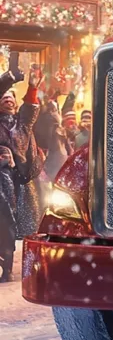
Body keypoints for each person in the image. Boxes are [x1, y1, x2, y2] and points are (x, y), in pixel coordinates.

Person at [0, 55, 44, 243]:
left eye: (11, 97)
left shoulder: (23, 123)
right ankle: (7, 269)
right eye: (3, 97)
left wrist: (33, 87)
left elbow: (30, 108)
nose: (8, 99)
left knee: (28, 232)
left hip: (24, 183)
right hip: (2, 181)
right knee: (4, 229)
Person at [0, 145, 16, 281]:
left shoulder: (4, 171)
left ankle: (7, 272)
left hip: (4, 212)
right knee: (6, 242)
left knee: (6, 242)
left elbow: (8, 194)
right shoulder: (7, 171)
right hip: (6, 212)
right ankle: (7, 272)